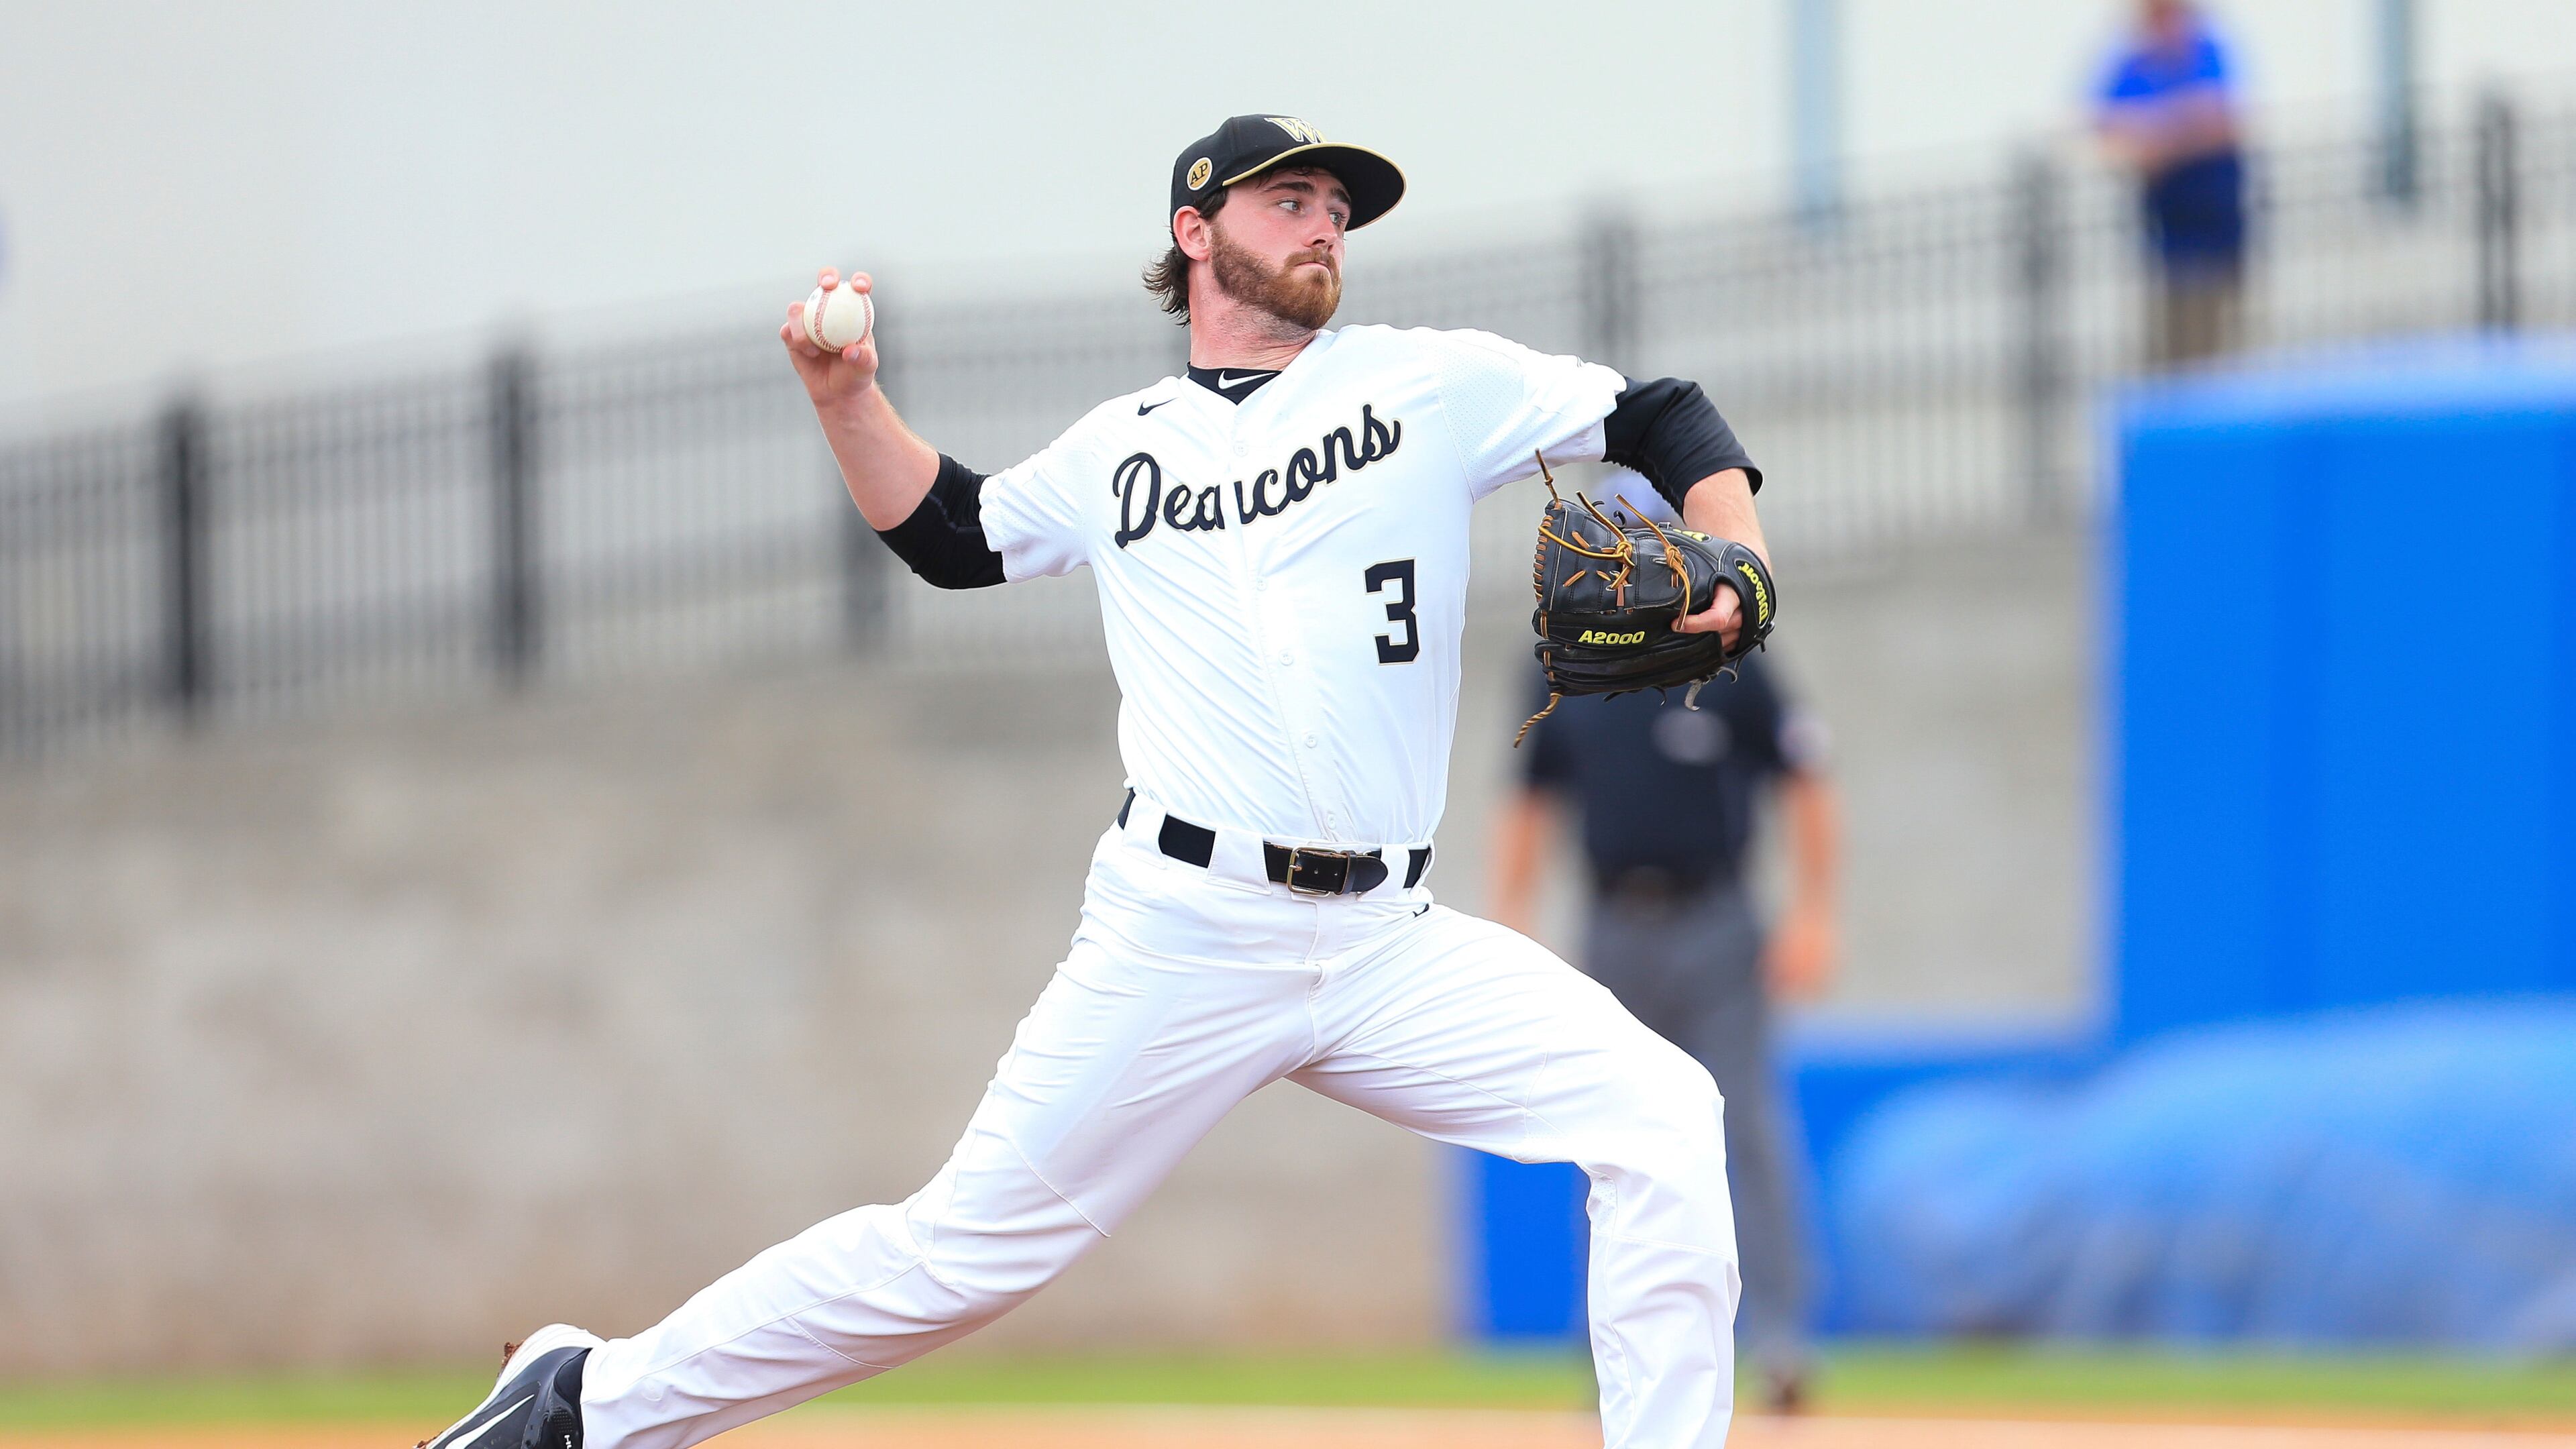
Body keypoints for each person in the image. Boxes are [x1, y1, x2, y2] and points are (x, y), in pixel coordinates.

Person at [420, 113, 1774, 1449]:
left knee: (1662, 1117)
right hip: (1188, 929)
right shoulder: (1118, 449)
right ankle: (587, 1405)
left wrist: (1739, 558)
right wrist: (847, 401)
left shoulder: (1425, 384)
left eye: (1335, 210)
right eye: (1290, 200)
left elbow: (1662, 414)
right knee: (958, 1258)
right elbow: (953, 534)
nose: (1324, 226)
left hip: (1387, 942)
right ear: (1196, 234)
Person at [1490, 600, 1840, 1414]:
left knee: (1743, 1126)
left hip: (1718, 919)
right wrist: (1514, 918)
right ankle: (1608, 1355)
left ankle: (1780, 1344)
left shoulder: (1728, 658)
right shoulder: (1563, 661)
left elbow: (1807, 775)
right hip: (1613, 924)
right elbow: (1529, 794)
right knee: (1606, 1136)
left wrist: (1816, 911)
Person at [2095, 0, 2249, 368]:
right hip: (2169, 238)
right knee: (2172, 350)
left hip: (2218, 232)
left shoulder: (2206, 53)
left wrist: (2158, 135)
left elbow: (2221, 121)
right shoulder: (2135, 65)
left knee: (2218, 346)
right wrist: (2178, 130)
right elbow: (2107, 129)